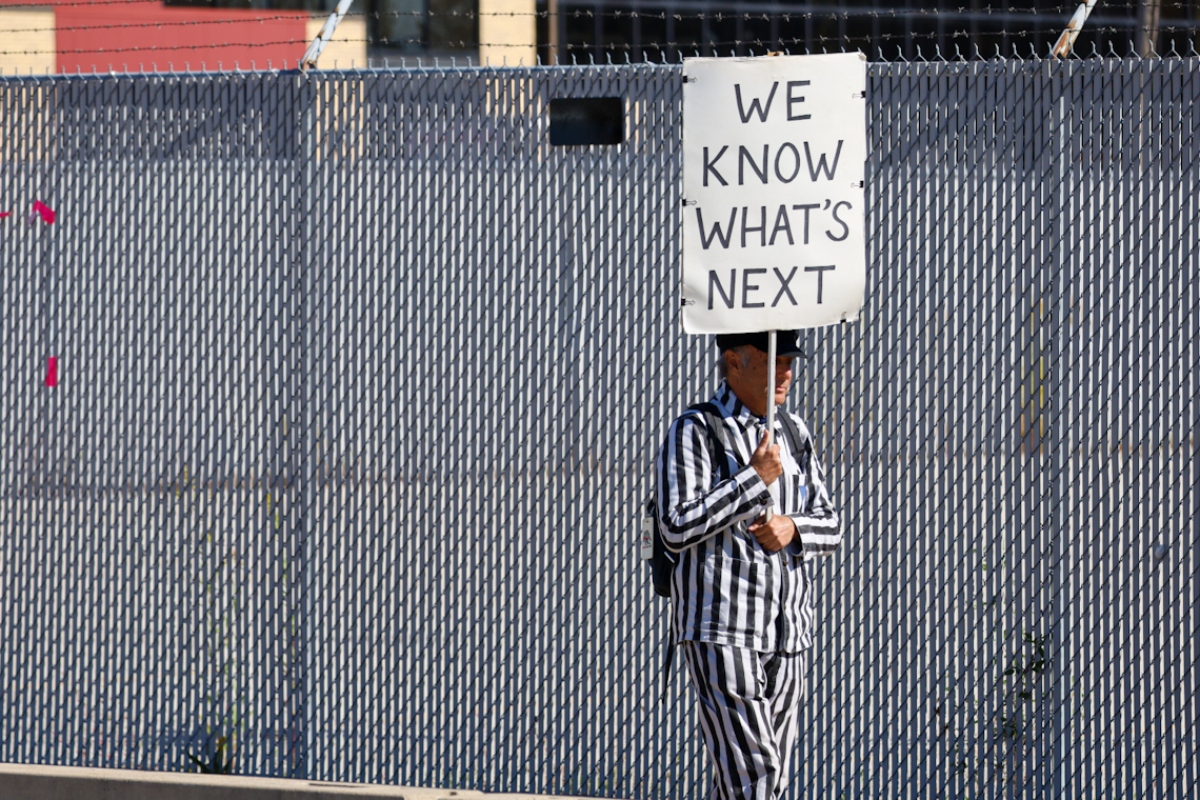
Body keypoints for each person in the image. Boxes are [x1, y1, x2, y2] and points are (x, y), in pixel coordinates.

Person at [654, 329, 841, 800]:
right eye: (772, 359)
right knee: (754, 779)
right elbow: (674, 524)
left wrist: (793, 529)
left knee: (761, 782)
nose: (787, 371)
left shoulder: (794, 433)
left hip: (788, 636)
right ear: (733, 363)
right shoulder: (695, 430)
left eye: (789, 360)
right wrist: (753, 480)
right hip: (721, 632)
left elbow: (831, 524)